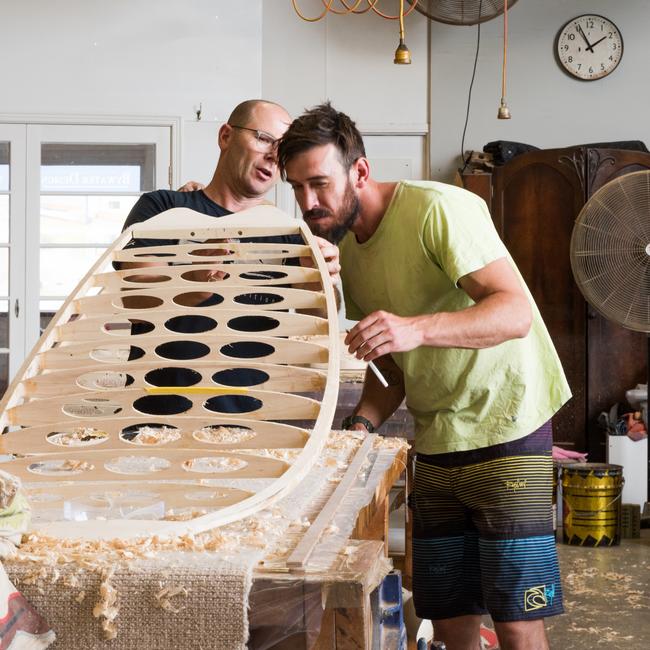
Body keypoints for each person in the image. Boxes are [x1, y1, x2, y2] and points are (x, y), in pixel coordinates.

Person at [278, 103, 571, 650]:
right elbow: (391, 363)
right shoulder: (347, 249)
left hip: (505, 424)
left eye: (319, 183)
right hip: (436, 437)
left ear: (359, 172)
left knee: (514, 614)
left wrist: (414, 328)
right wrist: (361, 424)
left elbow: (514, 313)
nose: (308, 202)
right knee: (448, 612)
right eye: (296, 188)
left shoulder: (438, 208)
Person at [118, 99, 340, 410]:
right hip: (156, 416)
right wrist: (191, 284)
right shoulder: (162, 208)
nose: (274, 154)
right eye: (263, 138)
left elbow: (318, 319)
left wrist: (322, 279)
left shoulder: (288, 232)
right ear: (225, 136)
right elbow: (133, 296)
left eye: (283, 148)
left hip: (252, 422)